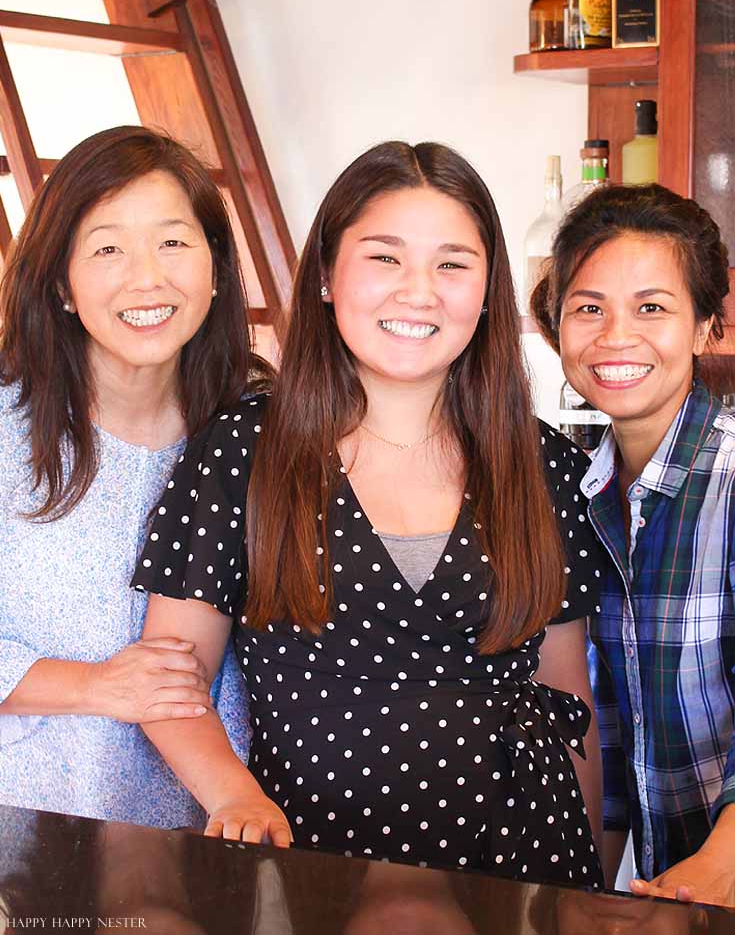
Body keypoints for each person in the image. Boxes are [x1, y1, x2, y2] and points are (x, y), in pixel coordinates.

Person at [133, 140, 604, 884]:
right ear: (326, 275)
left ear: (487, 291)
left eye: (452, 264)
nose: (418, 292)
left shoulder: (544, 465)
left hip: (521, 859)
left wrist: (591, 896)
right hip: (307, 857)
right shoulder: (242, 452)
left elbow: (566, 697)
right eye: (384, 258)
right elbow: (168, 679)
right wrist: (234, 797)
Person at [0, 125, 269, 828]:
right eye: (107, 247)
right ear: (60, 281)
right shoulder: (6, 428)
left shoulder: (258, 430)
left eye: (173, 242)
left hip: (208, 827)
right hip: (27, 823)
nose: (146, 277)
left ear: (215, 267)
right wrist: (97, 686)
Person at [530, 183, 735, 906]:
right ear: (554, 326)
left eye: (652, 308)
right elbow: (610, 731)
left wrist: (717, 868)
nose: (615, 337)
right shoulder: (580, 494)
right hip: (663, 891)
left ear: (709, 324)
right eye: (588, 308)